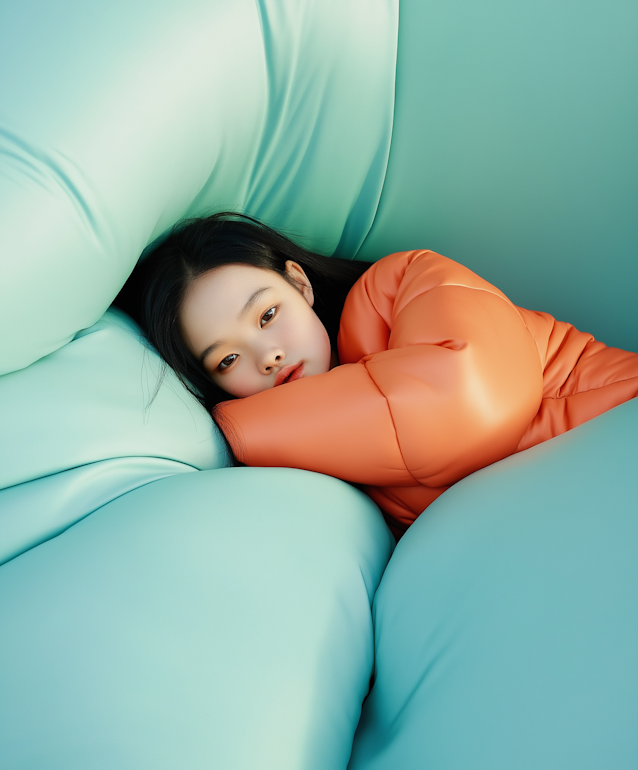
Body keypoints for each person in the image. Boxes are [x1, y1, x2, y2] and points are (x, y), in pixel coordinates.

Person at [117, 211, 638, 538]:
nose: (267, 356)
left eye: (267, 315)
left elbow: (463, 407)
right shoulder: (308, 464)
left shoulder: (399, 284)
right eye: (227, 360)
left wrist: (244, 432)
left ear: (299, 284)